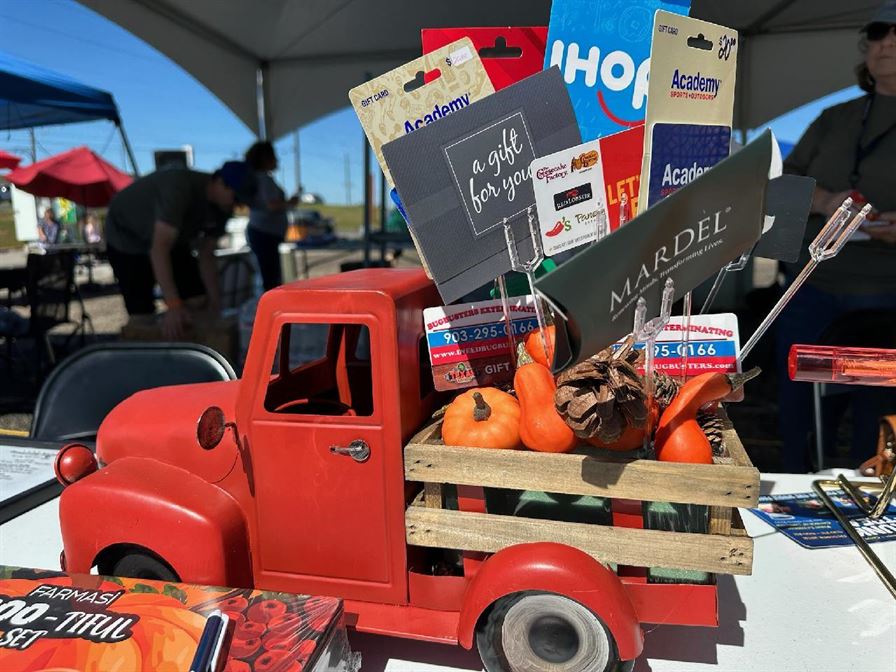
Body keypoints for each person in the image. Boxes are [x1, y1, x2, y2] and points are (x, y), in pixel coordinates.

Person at [776, 1, 896, 472]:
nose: (887, 41)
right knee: (798, 412)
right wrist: (825, 201)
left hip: (885, 297)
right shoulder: (833, 118)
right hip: (811, 287)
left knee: (874, 424)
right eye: (879, 32)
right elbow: (779, 184)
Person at [104, 161, 248, 339]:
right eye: (236, 198)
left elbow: (207, 256)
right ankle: (144, 351)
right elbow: (159, 249)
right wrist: (173, 305)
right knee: (142, 315)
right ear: (219, 182)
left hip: (172, 240)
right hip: (126, 237)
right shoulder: (179, 187)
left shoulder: (223, 208)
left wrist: (215, 306)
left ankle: (191, 350)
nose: (236, 206)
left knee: (198, 300)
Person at [244, 141, 298, 291]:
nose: (277, 160)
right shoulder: (264, 179)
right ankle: (269, 310)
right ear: (265, 159)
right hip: (264, 234)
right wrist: (289, 202)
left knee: (269, 276)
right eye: (274, 156)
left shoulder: (259, 179)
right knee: (270, 278)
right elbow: (271, 205)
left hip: (264, 234)